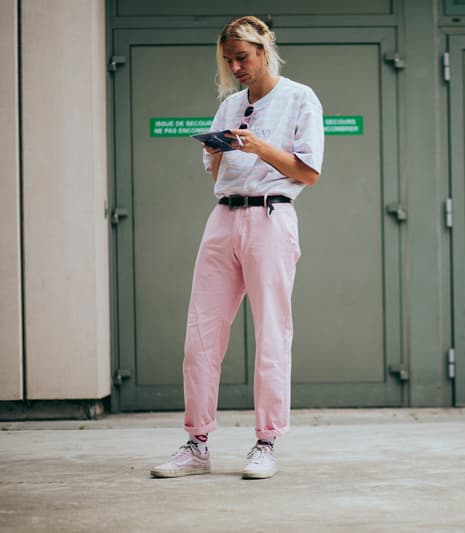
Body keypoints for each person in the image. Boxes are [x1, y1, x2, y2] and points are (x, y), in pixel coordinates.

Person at [151, 15, 324, 480]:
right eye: (228, 60)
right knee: (200, 335)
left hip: (271, 216)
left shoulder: (300, 98)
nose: (235, 67)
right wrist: (221, 151)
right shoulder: (228, 107)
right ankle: (196, 443)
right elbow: (215, 170)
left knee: (271, 332)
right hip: (223, 218)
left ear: (265, 51)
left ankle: (266, 442)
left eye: (242, 57)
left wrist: (259, 149)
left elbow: (308, 171)